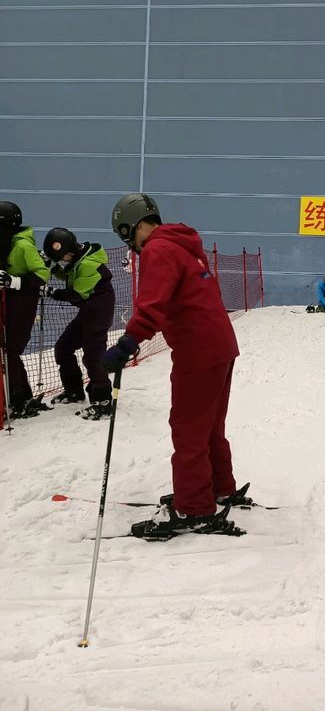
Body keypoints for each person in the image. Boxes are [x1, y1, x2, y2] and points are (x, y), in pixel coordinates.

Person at [103, 193, 245, 539]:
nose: (129, 243)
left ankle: (194, 507)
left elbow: (153, 305)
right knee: (208, 424)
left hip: (199, 350)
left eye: (126, 234)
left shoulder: (158, 250)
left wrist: (126, 344)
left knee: (188, 428)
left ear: (130, 226)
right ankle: (218, 487)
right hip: (219, 345)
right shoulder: (181, 246)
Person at [42, 228, 115, 420]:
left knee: (93, 356)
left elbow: (77, 293)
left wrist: (51, 292)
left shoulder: (88, 265)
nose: (63, 260)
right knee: (63, 348)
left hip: (98, 313)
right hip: (88, 311)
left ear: (70, 249)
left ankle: (103, 401)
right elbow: (68, 276)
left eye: (62, 257)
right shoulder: (77, 259)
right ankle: (74, 391)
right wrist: (54, 267)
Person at [0, 201, 50, 419]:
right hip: (10, 301)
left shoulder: (22, 246)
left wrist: (14, 281)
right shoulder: (7, 243)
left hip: (23, 302)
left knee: (10, 349)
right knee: (7, 349)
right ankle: (18, 397)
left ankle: (19, 399)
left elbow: (42, 274)